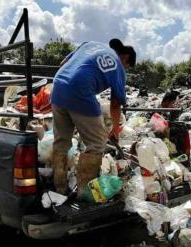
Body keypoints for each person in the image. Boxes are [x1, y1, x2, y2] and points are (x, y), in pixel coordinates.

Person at [50, 38, 136, 195]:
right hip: (80, 91)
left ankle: (59, 187)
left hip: (58, 87)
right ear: (125, 58)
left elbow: (64, 63)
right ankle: (85, 193)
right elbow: (115, 104)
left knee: (61, 141)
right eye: (127, 67)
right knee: (96, 144)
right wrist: (115, 129)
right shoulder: (118, 66)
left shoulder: (89, 44)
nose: (125, 69)